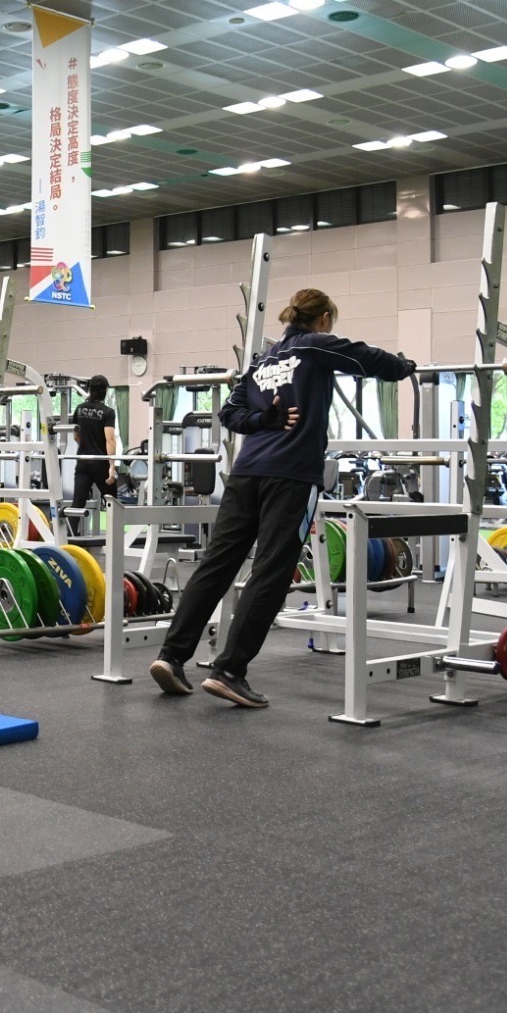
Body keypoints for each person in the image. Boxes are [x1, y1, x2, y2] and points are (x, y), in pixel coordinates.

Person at [150, 289, 413, 708]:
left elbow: (229, 414)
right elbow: (366, 359)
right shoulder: (315, 346)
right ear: (323, 318)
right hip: (291, 475)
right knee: (272, 571)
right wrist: (403, 367)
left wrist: (262, 419)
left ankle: (171, 656)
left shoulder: (262, 361)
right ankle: (229, 671)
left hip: (246, 475)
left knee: (217, 564)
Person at [69, 374, 118, 513]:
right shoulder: (108, 412)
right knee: (113, 503)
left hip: (83, 462)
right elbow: (110, 440)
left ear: (90, 389)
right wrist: (112, 466)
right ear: (105, 390)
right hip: (101, 463)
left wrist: (86, 446)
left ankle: (71, 528)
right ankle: (115, 529)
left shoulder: (79, 409)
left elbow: (76, 436)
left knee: (77, 503)